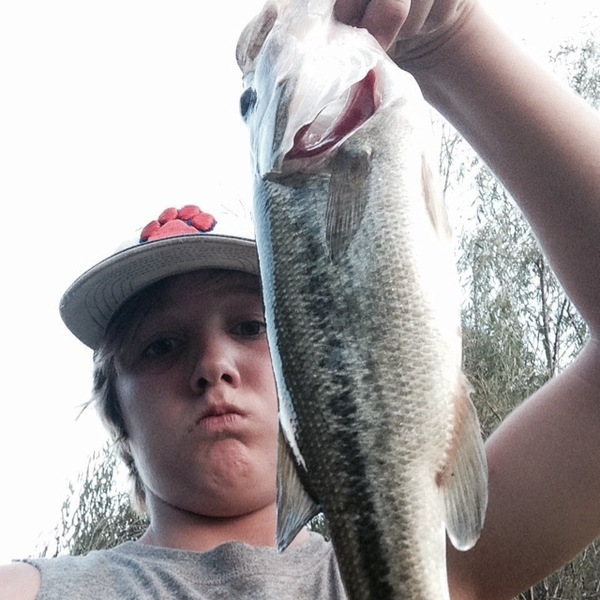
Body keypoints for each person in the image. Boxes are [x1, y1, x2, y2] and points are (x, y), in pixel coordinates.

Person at [2, 0, 600, 598]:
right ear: (117, 417)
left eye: (250, 327)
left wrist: (454, 36)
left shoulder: (432, 554)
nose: (214, 366)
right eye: (160, 346)